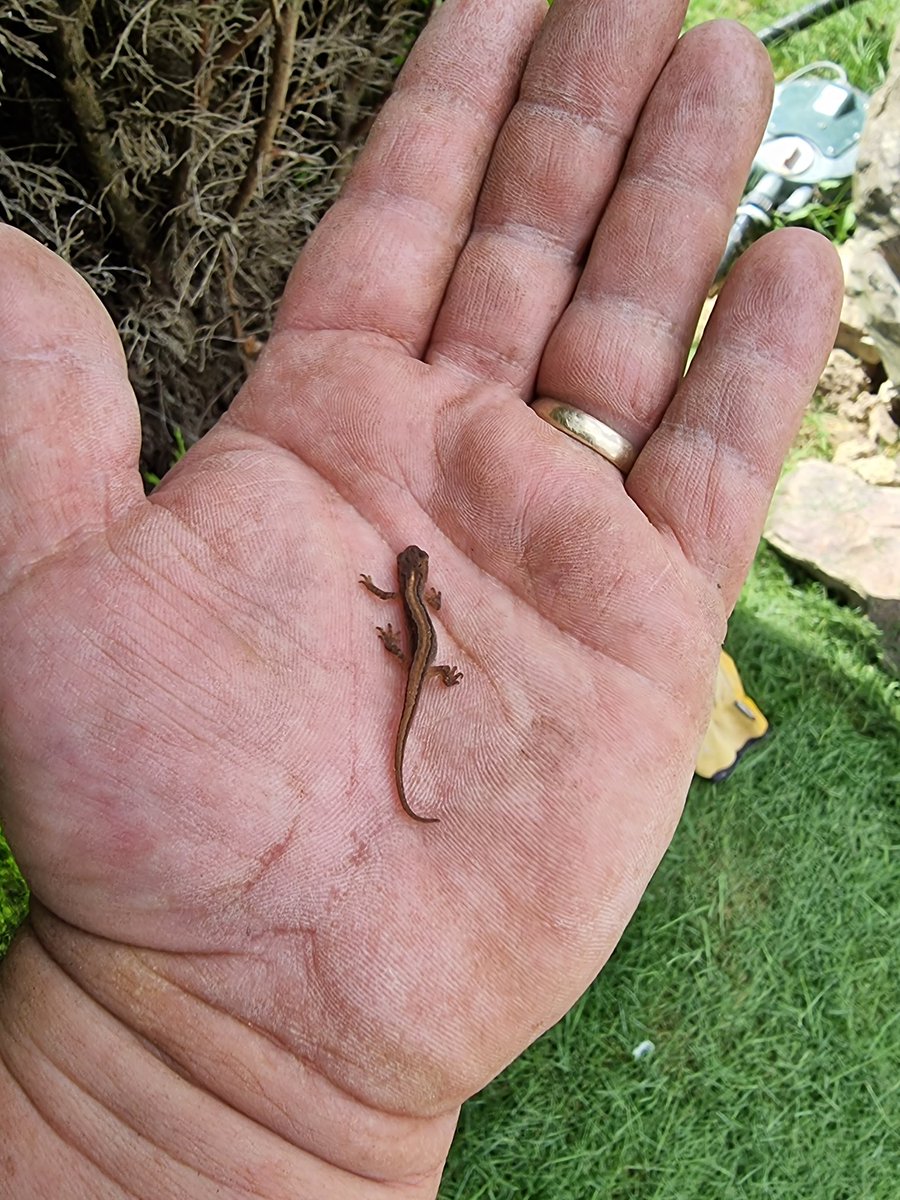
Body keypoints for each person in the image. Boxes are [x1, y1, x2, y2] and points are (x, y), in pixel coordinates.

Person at [0, 0, 841, 1193]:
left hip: (421, 654)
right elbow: (406, 614)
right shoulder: (414, 611)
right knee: (415, 678)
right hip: (420, 656)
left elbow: (401, 605)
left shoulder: (411, 605)